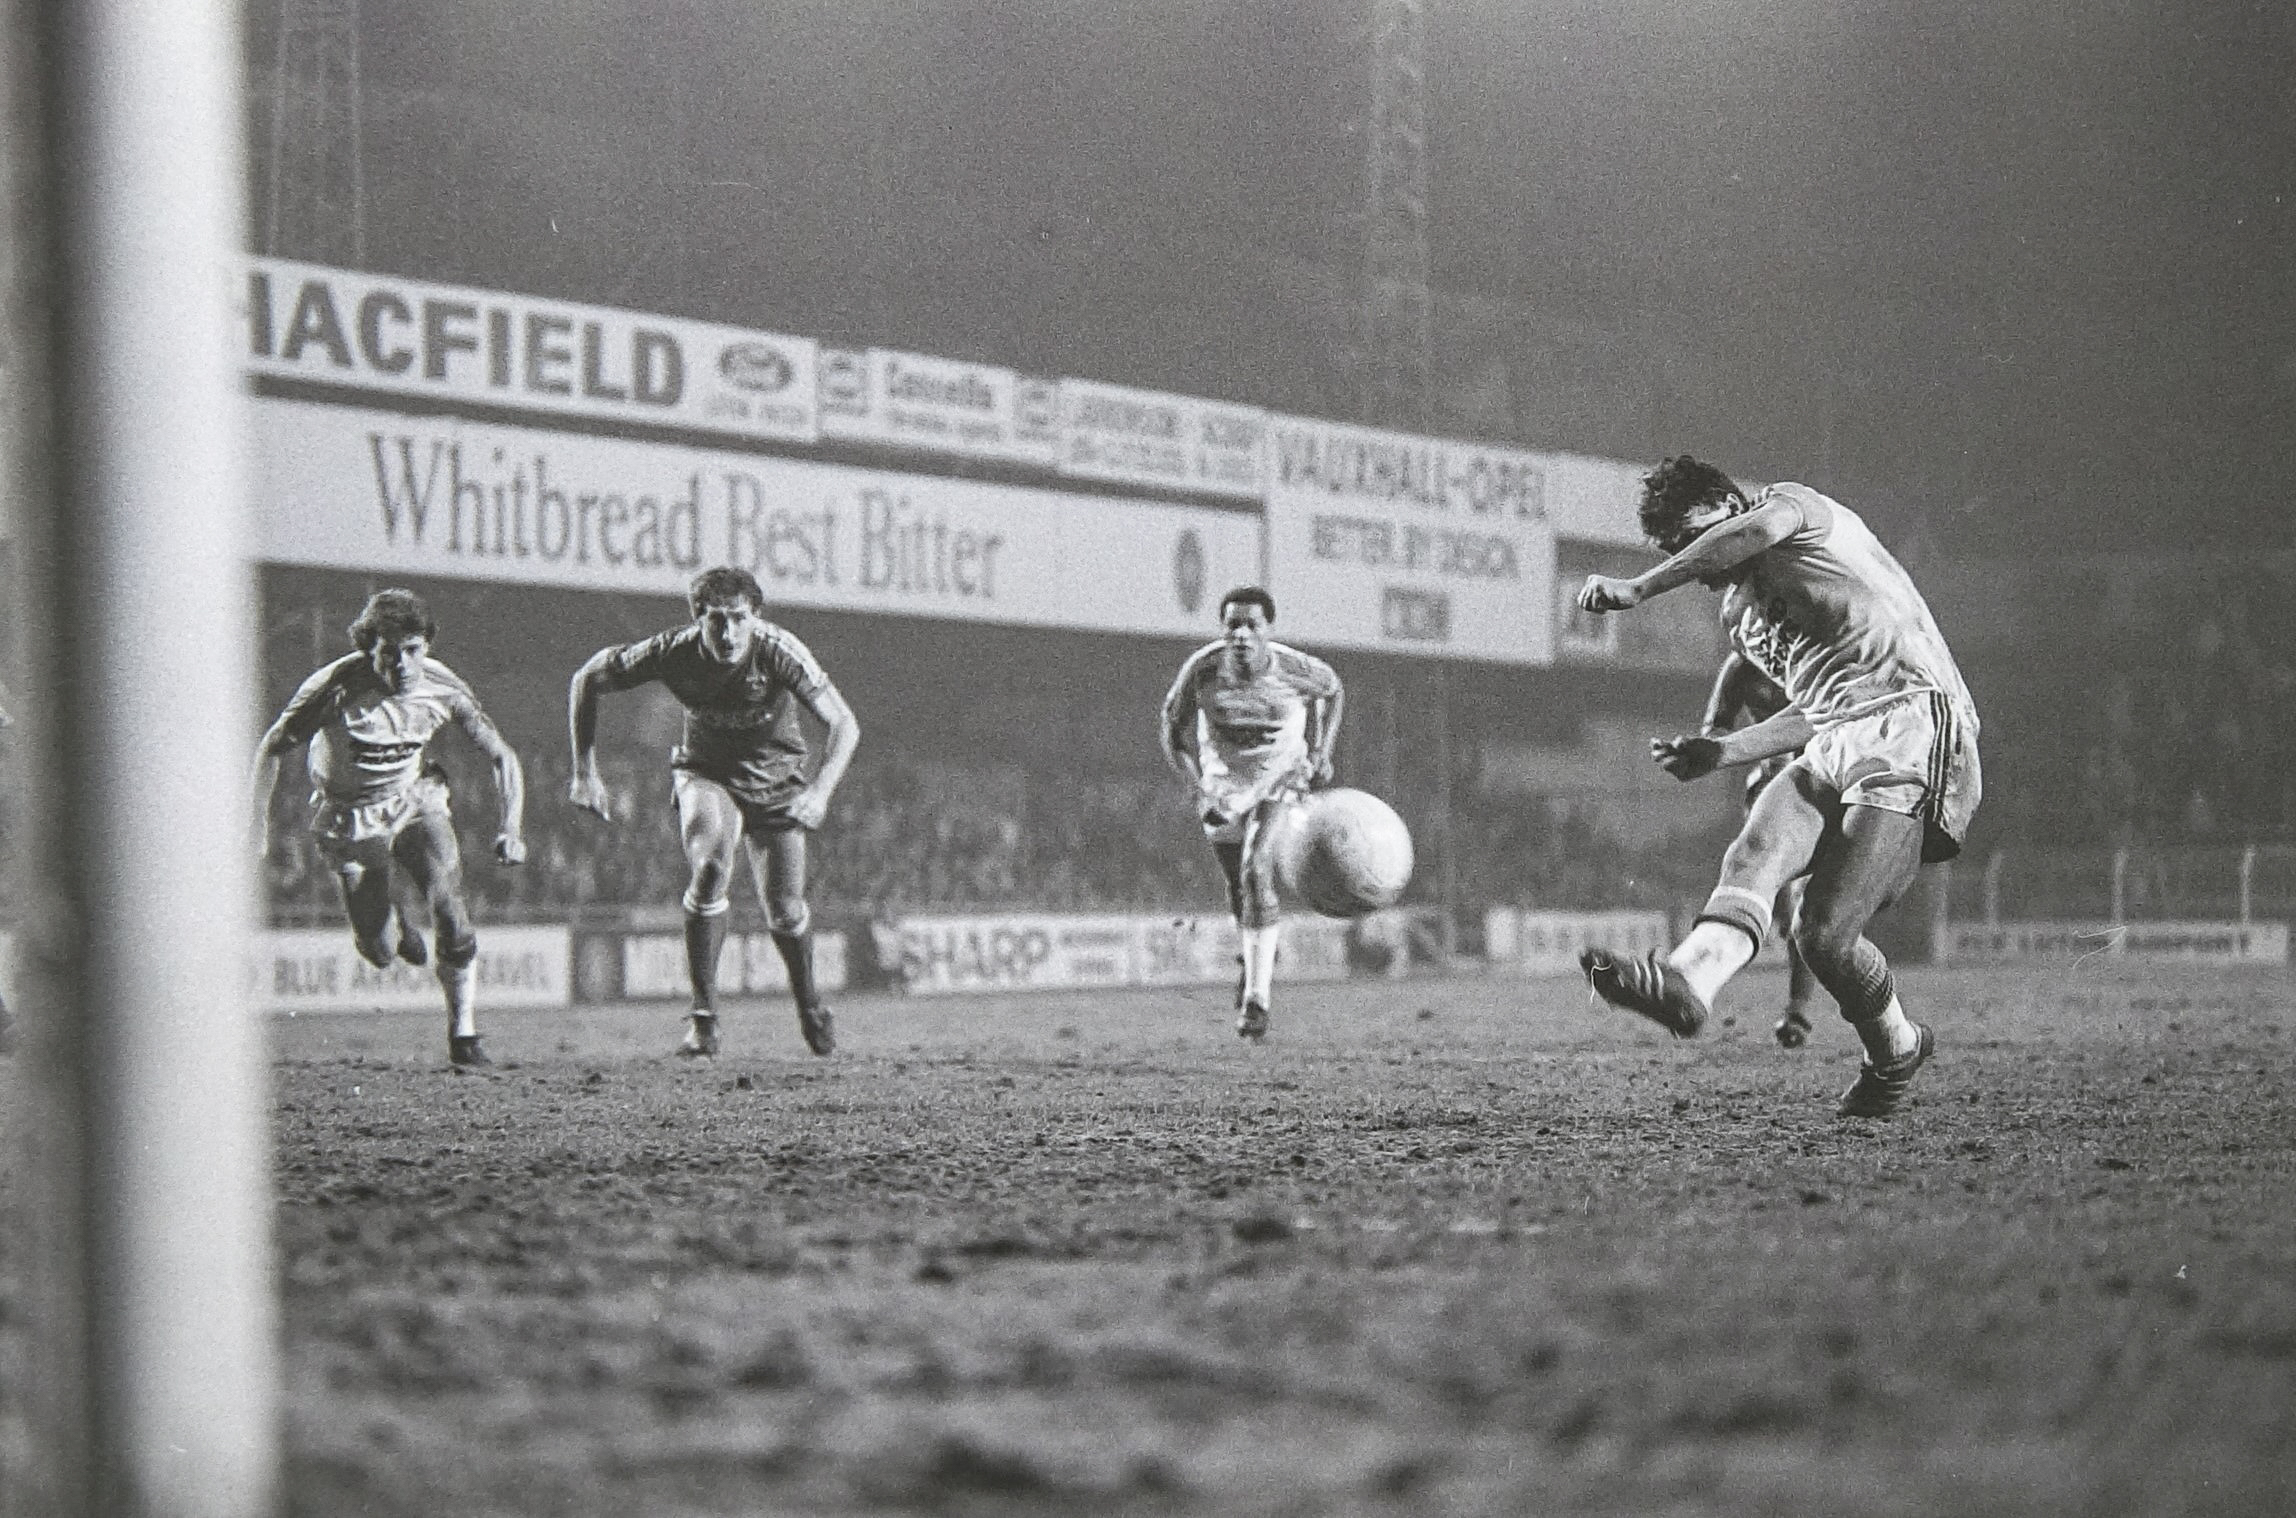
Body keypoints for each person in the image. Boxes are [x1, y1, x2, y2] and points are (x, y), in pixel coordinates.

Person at [1574, 457, 1980, 1118]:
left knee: (1825, 933)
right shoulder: (1744, 617)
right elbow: (1813, 707)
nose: (1693, 560)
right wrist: (1725, 750)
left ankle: (1895, 1050)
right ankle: (1689, 983)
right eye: (1675, 550)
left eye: (1691, 537)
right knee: (1754, 852)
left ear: (1730, 504)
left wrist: (1642, 587)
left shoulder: (1795, 511)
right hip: (1832, 741)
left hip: (1914, 722)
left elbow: (1748, 537)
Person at [568, 566, 859, 1059]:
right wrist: (583, 771)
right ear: (698, 618)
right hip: (707, 772)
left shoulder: (778, 649)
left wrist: (820, 793)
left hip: (778, 780)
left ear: (756, 616)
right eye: (716, 620)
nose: (727, 633)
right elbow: (586, 678)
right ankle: (704, 1021)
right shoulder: (671, 651)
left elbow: (844, 724)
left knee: (786, 911)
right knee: (711, 867)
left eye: (738, 619)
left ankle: (809, 1005)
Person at [253, 589, 528, 1067]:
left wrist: (511, 826)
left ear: (426, 647)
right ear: (368, 650)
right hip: (349, 814)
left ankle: (464, 1034)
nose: (402, 664)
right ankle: (395, 920)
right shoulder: (335, 688)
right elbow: (272, 747)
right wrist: (254, 825)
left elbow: (502, 756)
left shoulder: (445, 689)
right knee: (378, 951)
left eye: (413, 650)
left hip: (413, 800)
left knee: (448, 901)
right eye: (389, 652)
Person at [1160, 586, 1344, 1042]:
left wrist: (1322, 750)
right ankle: (1252, 957)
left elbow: (1333, 691)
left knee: (1256, 867)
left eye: (1251, 625)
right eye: (1232, 625)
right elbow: (1171, 725)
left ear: (1267, 631)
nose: (1240, 634)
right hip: (1223, 788)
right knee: (1237, 886)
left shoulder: (1296, 669)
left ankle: (1257, 1001)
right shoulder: (1203, 669)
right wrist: (1196, 786)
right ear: (1223, 629)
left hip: (1282, 777)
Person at [1697, 650, 1824, 1049]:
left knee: (1805, 911)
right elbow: (1715, 730)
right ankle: (1695, 985)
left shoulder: (1815, 657)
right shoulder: (1738, 669)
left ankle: (1798, 1009)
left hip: (1818, 789)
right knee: (1785, 912)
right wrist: (1703, 749)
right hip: (1766, 793)